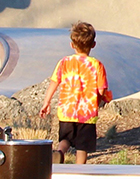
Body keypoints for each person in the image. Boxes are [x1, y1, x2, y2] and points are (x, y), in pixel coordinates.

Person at [35, 23, 109, 165]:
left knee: (65, 139)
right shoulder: (97, 65)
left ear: (72, 45)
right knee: (82, 146)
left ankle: (60, 152)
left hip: (67, 110)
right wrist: (101, 101)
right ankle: (80, 171)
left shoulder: (64, 62)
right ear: (93, 44)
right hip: (86, 113)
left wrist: (46, 102)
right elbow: (101, 89)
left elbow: (54, 83)